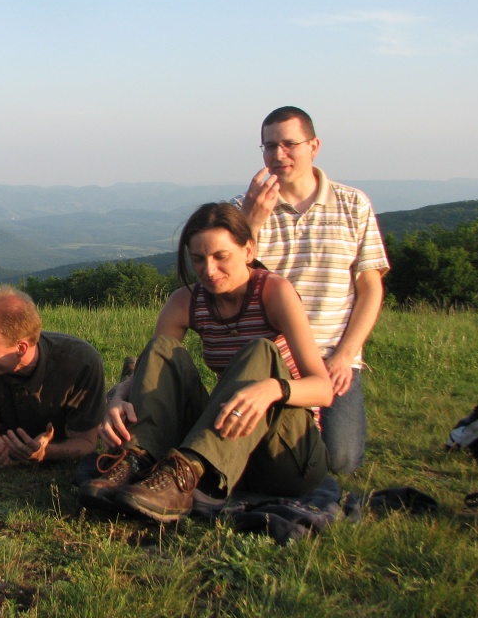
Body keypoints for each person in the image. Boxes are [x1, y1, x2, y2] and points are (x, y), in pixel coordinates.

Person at [80, 203, 332, 522]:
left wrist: (272, 389)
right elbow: (152, 369)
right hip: (230, 448)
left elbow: (323, 389)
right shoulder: (186, 301)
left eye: (220, 256)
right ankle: (138, 460)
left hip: (286, 454)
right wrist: (117, 397)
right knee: (161, 348)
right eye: (198, 259)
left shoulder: (275, 292)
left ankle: (185, 473)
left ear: (248, 250)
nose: (209, 270)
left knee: (261, 351)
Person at [235, 106, 389, 474]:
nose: (279, 155)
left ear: (314, 146)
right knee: (262, 462)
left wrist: (345, 355)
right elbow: (229, 284)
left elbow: (370, 287)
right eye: (269, 146)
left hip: (333, 357)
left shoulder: (353, 204)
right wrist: (252, 222)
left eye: (289, 144)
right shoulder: (241, 209)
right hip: (270, 357)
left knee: (341, 460)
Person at [0, 285, 105, 467]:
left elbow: (86, 443)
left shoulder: (82, 363)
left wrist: (45, 452)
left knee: (119, 408)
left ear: (21, 348)